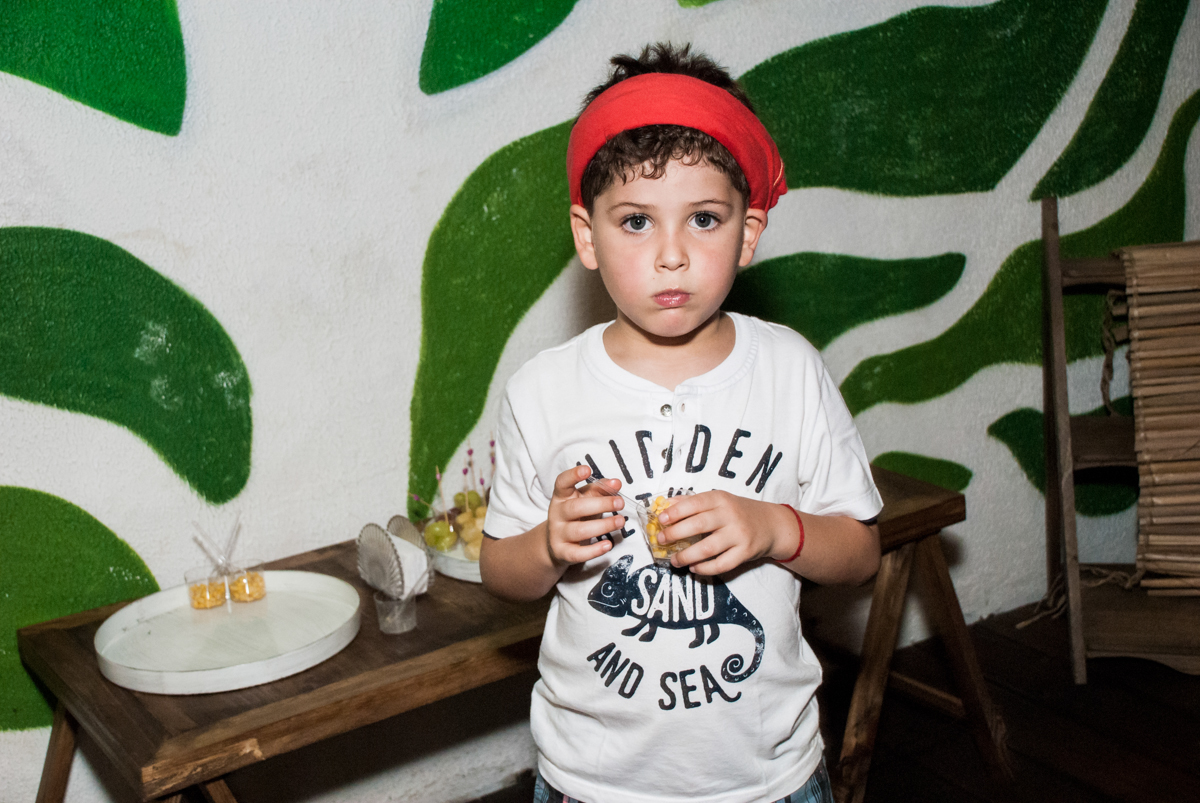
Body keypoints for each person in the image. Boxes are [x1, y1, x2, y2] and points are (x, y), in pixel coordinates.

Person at [480, 43, 883, 803]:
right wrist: (547, 542)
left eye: (704, 218)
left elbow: (861, 551)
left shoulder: (790, 368)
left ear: (749, 232)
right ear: (586, 235)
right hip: (592, 783)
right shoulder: (543, 389)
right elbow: (502, 573)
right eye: (635, 221)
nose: (671, 255)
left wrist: (773, 529)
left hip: (769, 779)